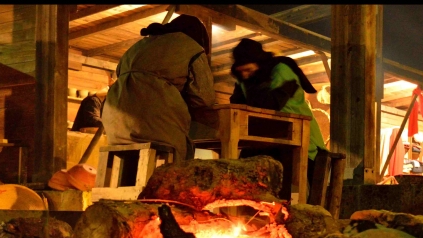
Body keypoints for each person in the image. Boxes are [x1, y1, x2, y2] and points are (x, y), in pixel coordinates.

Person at [102, 15, 215, 162]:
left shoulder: (137, 47)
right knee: (180, 152)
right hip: (154, 125)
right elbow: (204, 99)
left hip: (115, 127)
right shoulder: (192, 48)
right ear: (200, 37)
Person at [229, 38, 327, 197]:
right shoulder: (245, 78)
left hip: (300, 140)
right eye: (241, 71)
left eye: (248, 69)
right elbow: (236, 103)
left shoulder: (282, 70)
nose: (245, 75)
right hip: (269, 139)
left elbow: (272, 103)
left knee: (289, 193)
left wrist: (252, 88)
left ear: (259, 63)